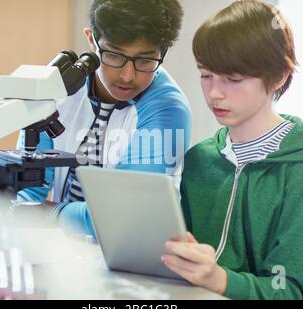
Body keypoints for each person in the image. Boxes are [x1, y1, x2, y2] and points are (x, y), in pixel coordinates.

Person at [161, 0, 303, 299]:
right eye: (206, 75)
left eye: (233, 79)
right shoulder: (200, 159)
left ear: (279, 78)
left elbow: (290, 290)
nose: (214, 93)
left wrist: (220, 279)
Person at [16, 0, 191, 237]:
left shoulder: (167, 109)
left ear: (164, 51)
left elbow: (123, 217)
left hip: (131, 255)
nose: (127, 76)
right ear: (91, 39)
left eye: (145, 60)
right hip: (67, 246)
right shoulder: (56, 87)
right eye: (114, 55)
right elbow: (26, 190)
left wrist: (49, 214)